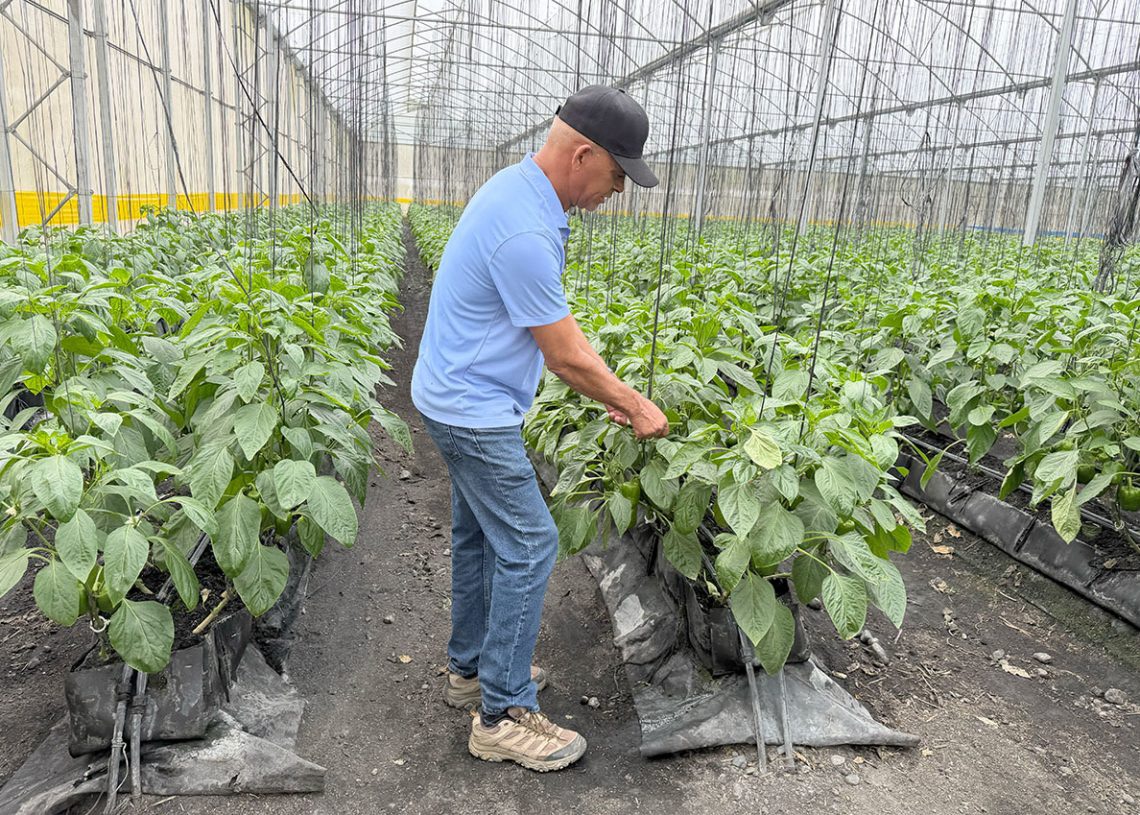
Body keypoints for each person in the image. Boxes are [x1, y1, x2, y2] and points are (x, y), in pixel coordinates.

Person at [410, 85, 669, 772]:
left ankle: (471, 670)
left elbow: (552, 334)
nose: (616, 193)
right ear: (582, 154)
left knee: (479, 533)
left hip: (453, 394)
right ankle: (502, 712)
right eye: (616, 177)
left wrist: (607, 388)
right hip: (471, 408)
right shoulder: (526, 230)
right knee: (530, 541)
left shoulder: (519, 193)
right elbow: (563, 352)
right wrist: (636, 403)